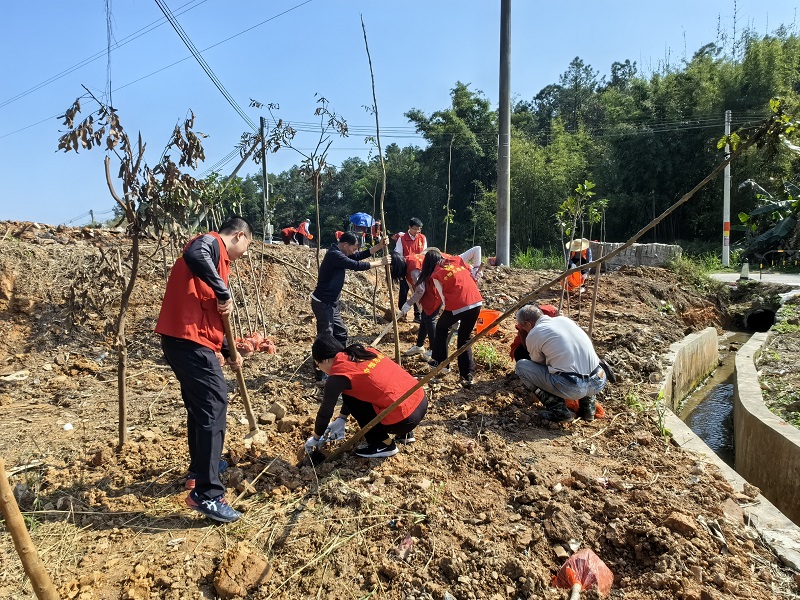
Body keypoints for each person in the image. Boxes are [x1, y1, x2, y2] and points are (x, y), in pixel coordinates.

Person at [155, 216, 254, 523]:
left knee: (201, 408)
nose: (244, 254)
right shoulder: (209, 245)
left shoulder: (217, 264)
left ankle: (201, 470)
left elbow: (209, 317)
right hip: (187, 342)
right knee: (214, 404)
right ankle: (207, 494)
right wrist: (224, 292)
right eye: (246, 246)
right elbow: (194, 253)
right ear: (238, 236)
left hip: (189, 341)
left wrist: (229, 350)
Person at [305, 335, 428, 458]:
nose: (320, 369)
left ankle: (383, 444)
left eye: (317, 365)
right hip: (420, 401)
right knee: (377, 389)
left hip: (403, 419)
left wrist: (316, 437)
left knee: (351, 399)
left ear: (326, 360)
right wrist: (342, 418)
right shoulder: (365, 352)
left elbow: (325, 412)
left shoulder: (338, 375)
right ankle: (405, 434)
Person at [311, 231, 390, 383]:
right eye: (353, 248)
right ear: (345, 244)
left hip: (331, 303)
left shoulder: (342, 252)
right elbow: (356, 265)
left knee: (341, 333)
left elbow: (358, 257)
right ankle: (321, 373)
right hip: (322, 303)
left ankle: (340, 362)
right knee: (326, 337)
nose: (354, 251)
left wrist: (379, 247)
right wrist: (381, 262)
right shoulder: (334, 254)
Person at [514, 304, 607, 423]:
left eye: (524, 327)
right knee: (580, 364)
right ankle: (588, 409)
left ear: (527, 324)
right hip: (598, 380)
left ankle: (559, 411)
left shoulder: (534, 333)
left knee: (522, 367)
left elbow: (539, 364)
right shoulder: (565, 320)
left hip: (573, 387)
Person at [418, 248, 483, 388]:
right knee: (465, 337)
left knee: (441, 327)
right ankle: (468, 375)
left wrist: (455, 316)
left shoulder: (436, 275)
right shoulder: (455, 259)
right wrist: (476, 268)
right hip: (476, 302)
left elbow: (443, 299)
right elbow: (477, 249)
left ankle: (441, 362)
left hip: (459, 305)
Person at [394, 218, 427, 322]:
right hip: (406, 269)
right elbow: (398, 254)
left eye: (419, 229)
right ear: (409, 227)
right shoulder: (402, 238)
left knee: (418, 291)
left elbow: (425, 253)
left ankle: (418, 315)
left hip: (419, 269)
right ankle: (402, 313)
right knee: (404, 290)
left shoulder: (422, 238)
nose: (417, 231)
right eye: (415, 229)